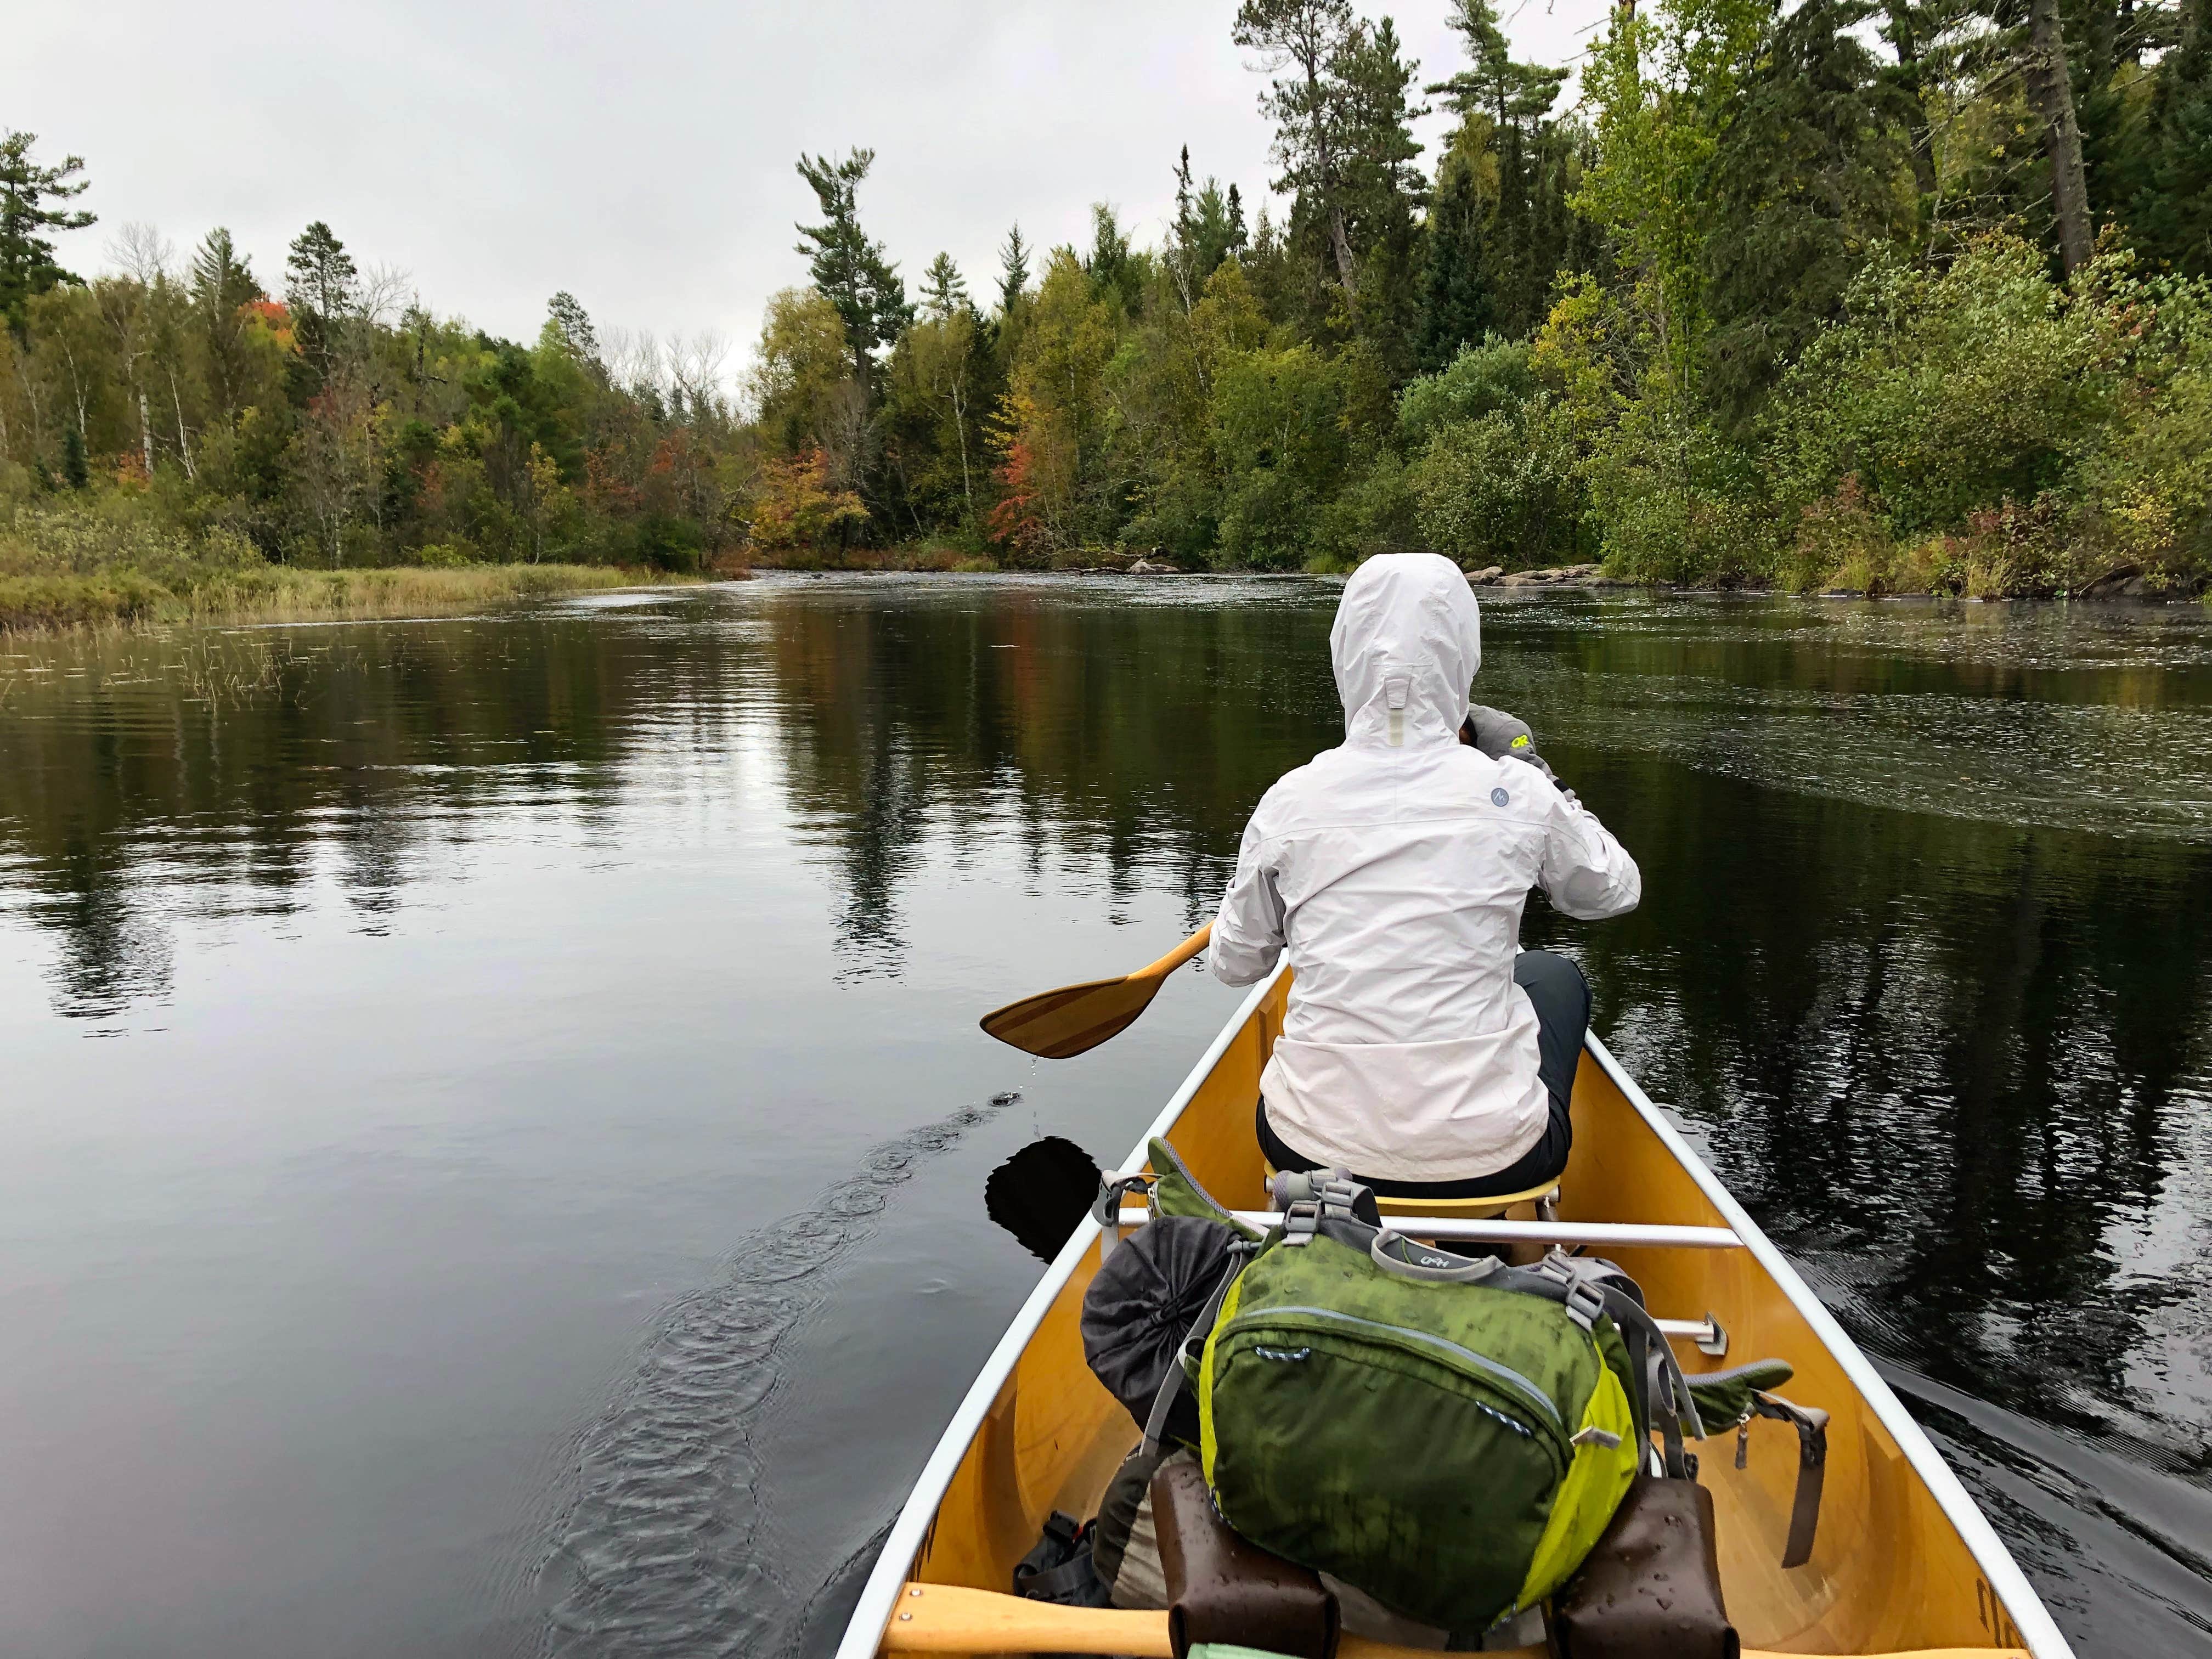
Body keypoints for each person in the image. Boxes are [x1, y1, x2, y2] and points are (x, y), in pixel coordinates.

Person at [1208, 552, 1640, 1198]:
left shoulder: (1288, 803)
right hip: (1495, 1158)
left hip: (1308, 1148)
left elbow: (1236, 966)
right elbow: (1613, 889)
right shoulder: (1515, 791)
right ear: (1463, 654)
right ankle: (1522, 1247)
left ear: (1346, 654)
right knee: (1553, 976)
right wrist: (1535, 772)